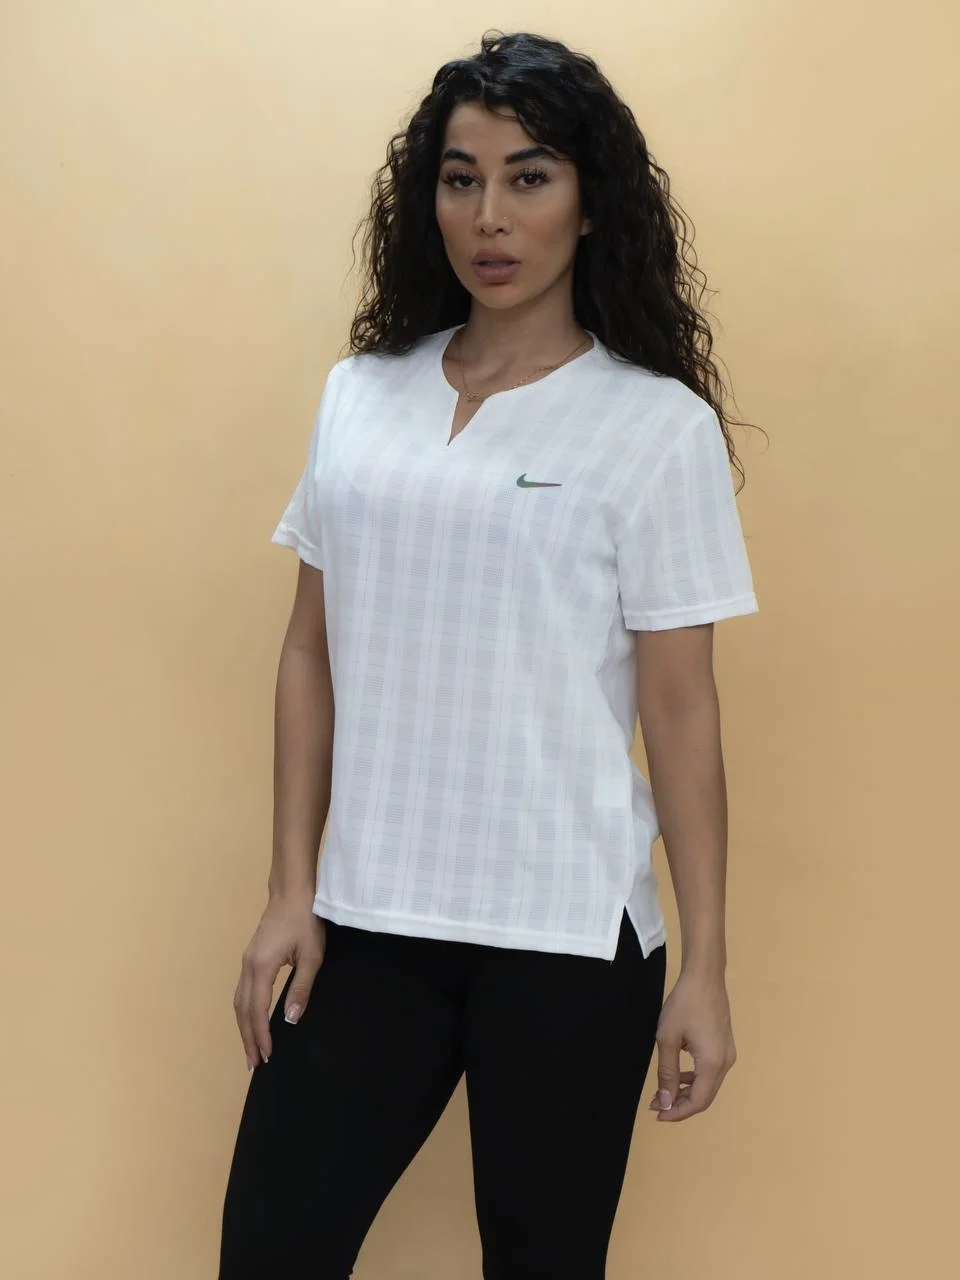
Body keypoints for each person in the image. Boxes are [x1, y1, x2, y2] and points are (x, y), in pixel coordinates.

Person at [218, 28, 760, 1280]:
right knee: (270, 1252)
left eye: (530, 177)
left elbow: (682, 713)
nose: (490, 217)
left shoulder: (655, 428)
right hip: (369, 921)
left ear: (590, 201)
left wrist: (708, 966)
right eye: (461, 179)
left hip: (567, 935)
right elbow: (309, 652)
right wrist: (290, 889)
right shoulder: (362, 395)